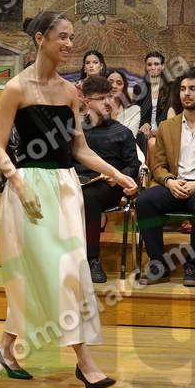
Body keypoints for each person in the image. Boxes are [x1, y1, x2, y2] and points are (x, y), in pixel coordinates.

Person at [0, 11, 137, 388]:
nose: (70, 44)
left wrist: (117, 174)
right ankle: (85, 363)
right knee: (57, 275)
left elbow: (79, 149)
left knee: (63, 272)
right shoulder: (15, 89)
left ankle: (4, 347)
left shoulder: (71, 92)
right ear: (41, 38)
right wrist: (18, 183)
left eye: (72, 37)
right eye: (63, 36)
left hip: (66, 188)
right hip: (29, 190)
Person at [136, 67, 195, 288]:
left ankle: (193, 266)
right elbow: (157, 166)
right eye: (182, 89)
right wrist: (169, 181)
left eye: (192, 89)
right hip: (173, 184)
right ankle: (158, 265)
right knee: (144, 201)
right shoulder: (167, 127)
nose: (186, 93)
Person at [75, 75, 141, 283]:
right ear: (87, 102)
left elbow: (133, 166)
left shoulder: (123, 132)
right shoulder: (76, 130)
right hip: (78, 182)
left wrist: (117, 178)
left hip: (110, 187)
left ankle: (92, 259)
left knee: (89, 196)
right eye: (101, 98)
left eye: (110, 97)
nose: (107, 102)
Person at [134, 51, 171, 153]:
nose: (153, 67)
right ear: (146, 67)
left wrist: (157, 129)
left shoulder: (171, 87)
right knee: (141, 138)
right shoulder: (139, 88)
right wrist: (145, 123)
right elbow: (137, 110)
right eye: (149, 64)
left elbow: (169, 111)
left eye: (156, 64)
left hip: (164, 128)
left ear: (162, 66)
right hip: (145, 130)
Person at [107, 68, 140, 137]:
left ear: (124, 87)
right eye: (110, 82)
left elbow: (131, 136)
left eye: (119, 83)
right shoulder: (97, 107)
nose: (114, 86)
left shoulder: (134, 110)